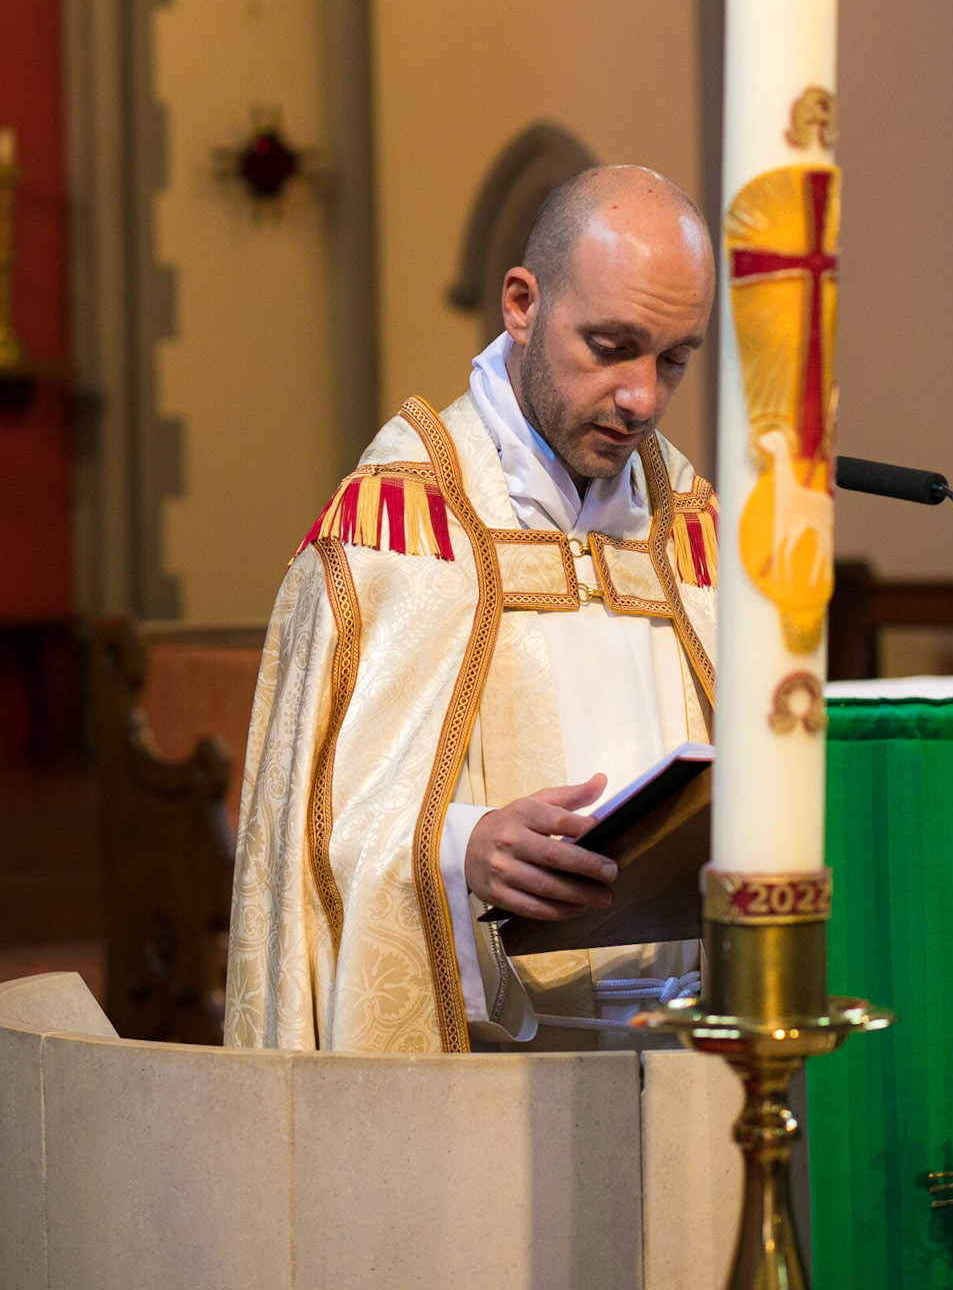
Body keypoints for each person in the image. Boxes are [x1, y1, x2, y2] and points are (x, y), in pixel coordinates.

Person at [225, 165, 719, 1055]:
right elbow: (297, 845)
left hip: (698, 1050)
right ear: (521, 304)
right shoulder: (394, 529)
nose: (643, 398)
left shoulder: (696, 531)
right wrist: (462, 851)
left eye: (674, 359)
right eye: (611, 347)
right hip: (494, 1073)